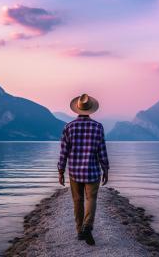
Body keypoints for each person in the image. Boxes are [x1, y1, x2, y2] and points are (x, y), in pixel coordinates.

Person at [57, 93, 110, 246]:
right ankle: (88, 227)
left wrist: (61, 171)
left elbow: (64, 152)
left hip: (74, 171)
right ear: (91, 109)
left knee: (77, 200)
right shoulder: (98, 127)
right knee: (91, 199)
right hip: (92, 171)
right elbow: (102, 151)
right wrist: (105, 169)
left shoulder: (69, 127)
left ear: (77, 109)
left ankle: (80, 230)